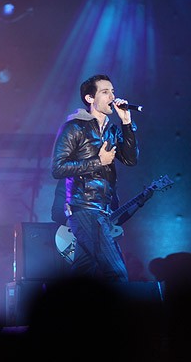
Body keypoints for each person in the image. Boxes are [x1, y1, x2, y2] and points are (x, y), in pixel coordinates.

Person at [51, 74, 139, 282]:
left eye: (113, 91)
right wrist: (99, 162)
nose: (112, 97)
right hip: (84, 208)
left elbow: (130, 159)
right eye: (105, 92)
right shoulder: (74, 128)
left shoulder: (112, 131)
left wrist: (127, 123)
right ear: (90, 98)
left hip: (103, 210)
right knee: (117, 272)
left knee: (83, 273)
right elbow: (58, 168)